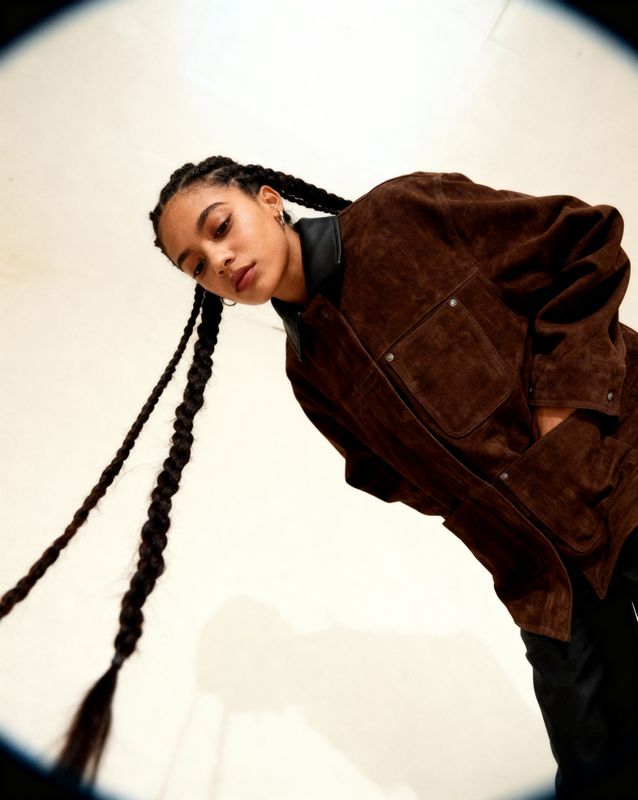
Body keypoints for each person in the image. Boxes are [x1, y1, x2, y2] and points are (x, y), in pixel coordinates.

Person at [1, 155, 637, 797]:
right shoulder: (308, 371)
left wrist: (563, 425)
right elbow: (384, 474)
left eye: (220, 227)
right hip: (542, 574)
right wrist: (489, 518)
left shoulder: (404, 214)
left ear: (270, 201)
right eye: (195, 265)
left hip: (624, 480)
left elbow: (584, 243)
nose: (217, 262)